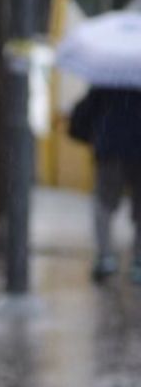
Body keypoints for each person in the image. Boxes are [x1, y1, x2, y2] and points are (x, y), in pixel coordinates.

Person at [69, 87, 141, 284]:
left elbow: (82, 115)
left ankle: (105, 256)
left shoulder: (107, 79)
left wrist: (93, 135)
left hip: (110, 150)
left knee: (104, 204)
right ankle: (138, 260)